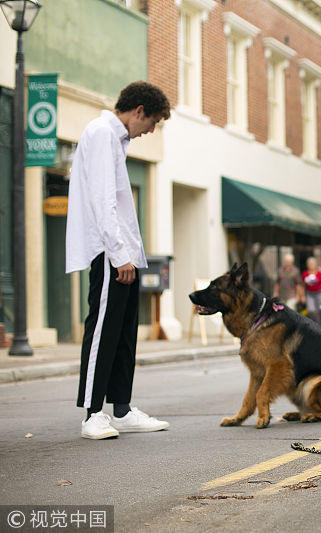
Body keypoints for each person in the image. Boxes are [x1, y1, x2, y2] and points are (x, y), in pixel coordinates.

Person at [66, 81, 171, 439]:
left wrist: (130, 253)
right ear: (138, 111)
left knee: (125, 332)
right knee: (102, 330)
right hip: (110, 253)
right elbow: (101, 199)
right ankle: (92, 413)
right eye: (152, 121)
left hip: (125, 252)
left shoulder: (116, 139)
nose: (151, 130)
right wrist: (119, 253)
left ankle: (122, 409)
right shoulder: (101, 134)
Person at [301, 257, 321, 326]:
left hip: (319, 293)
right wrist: (303, 296)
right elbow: (303, 286)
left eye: (312, 264)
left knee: (319, 310)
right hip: (310, 294)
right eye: (309, 264)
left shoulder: (320, 273)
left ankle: (319, 325)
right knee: (311, 310)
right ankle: (313, 324)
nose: (311, 265)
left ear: (315, 265)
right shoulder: (305, 274)